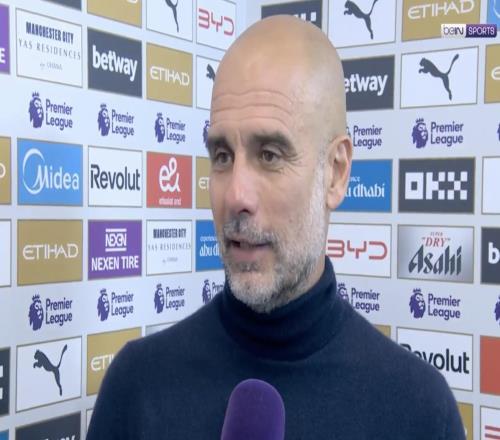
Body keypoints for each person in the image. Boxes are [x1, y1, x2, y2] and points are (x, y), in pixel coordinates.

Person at [87, 16, 465, 439]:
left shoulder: (419, 410)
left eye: (269, 154)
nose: (237, 195)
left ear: (335, 173)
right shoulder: (137, 386)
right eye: (223, 156)